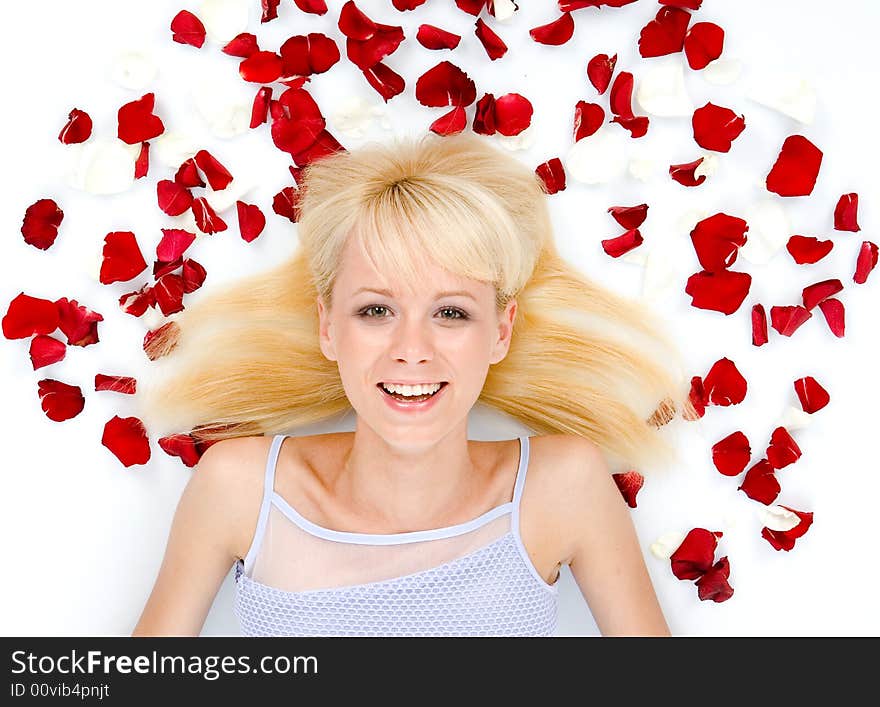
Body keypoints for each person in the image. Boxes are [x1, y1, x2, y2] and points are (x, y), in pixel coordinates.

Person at [131, 131, 695, 637]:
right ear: (329, 328)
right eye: (376, 310)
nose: (411, 350)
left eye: (450, 313)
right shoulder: (241, 488)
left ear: (501, 332)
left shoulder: (563, 485)